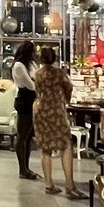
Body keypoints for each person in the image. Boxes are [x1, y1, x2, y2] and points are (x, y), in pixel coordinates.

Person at [33, 47, 79, 197]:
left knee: (45, 147)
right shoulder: (59, 73)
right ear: (54, 58)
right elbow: (69, 88)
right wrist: (65, 100)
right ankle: (70, 185)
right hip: (57, 112)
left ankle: (48, 184)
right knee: (66, 145)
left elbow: (38, 91)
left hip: (41, 112)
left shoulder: (38, 74)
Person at [10, 40, 39, 179]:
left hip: (33, 99)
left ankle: (27, 168)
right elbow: (30, 84)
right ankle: (22, 169)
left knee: (28, 136)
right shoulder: (19, 65)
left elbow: (37, 78)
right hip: (25, 99)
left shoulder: (31, 64)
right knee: (22, 135)